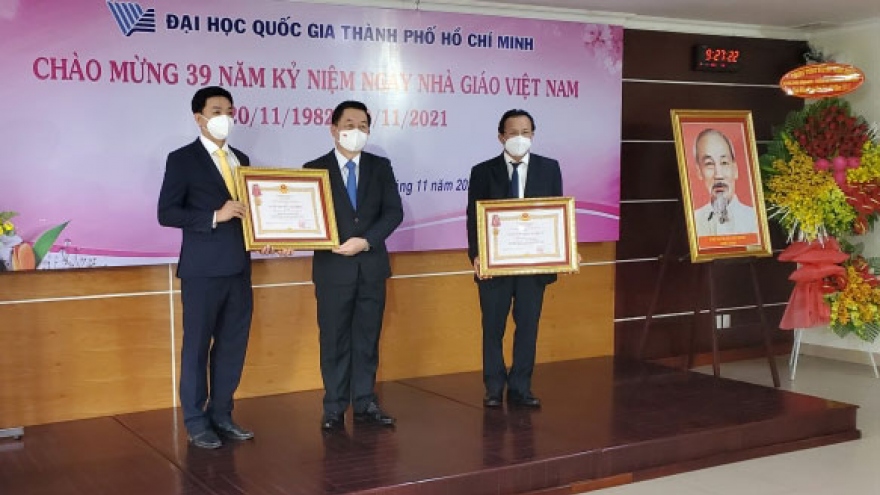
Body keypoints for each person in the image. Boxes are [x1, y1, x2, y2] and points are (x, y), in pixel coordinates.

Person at [158, 86, 275, 449]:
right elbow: (167, 213)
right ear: (199, 118)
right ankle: (196, 422)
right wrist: (214, 215)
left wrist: (267, 235)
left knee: (231, 346)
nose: (225, 117)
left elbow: (251, 212)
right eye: (217, 111)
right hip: (203, 271)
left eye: (230, 111)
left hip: (239, 268)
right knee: (196, 347)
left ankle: (222, 414)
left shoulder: (242, 159)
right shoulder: (182, 159)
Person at [304, 100, 403, 431]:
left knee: (366, 339)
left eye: (363, 126)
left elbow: (393, 212)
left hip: (371, 267)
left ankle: (364, 402)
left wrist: (367, 240)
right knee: (333, 340)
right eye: (349, 125)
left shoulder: (380, 166)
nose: (356, 131)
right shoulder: (313, 168)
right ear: (333, 129)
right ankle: (334, 407)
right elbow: (306, 217)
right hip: (332, 271)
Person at [466, 109, 563, 409]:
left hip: (533, 266)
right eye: (513, 133)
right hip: (494, 266)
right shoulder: (482, 171)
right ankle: (494, 387)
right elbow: (473, 218)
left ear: (533, 135)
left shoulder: (549, 168)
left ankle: (521, 387)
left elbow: (556, 213)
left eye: (525, 132)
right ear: (501, 136)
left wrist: (562, 250)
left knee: (528, 327)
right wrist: (477, 255)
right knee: (493, 327)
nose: (519, 138)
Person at [692, 128, 758, 237]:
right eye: (709, 164)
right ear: (699, 172)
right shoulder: (693, 221)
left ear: (735, 169)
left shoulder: (755, 220)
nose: (718, 175)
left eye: (724, 162)